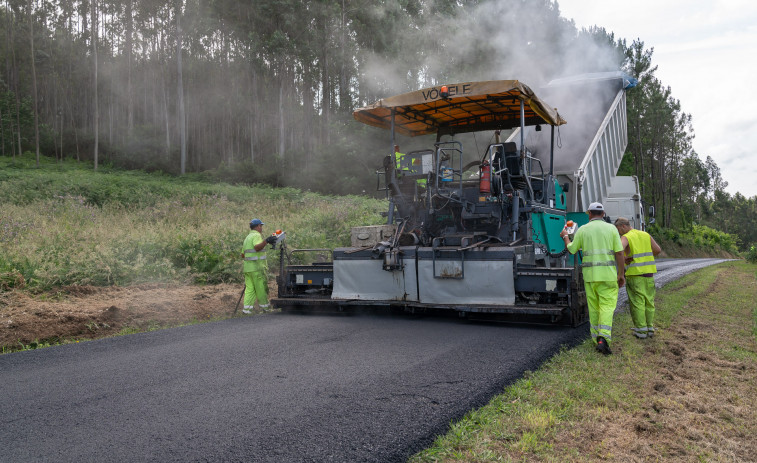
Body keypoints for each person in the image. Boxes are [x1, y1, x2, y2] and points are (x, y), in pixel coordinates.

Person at [560, 202, 626, 355]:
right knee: (607, 307)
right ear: (603, 214)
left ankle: (596, 338)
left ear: (588, 213)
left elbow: (572, 250)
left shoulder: (583, 230)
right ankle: (604, 339)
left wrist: (565, 237)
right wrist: (621, 274)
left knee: (594, 308)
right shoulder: (611, 229)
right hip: (608, 277)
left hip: (590, 278)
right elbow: (620, 253)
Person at [614, 217, 662, 339]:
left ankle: (640, 331)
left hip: (635, 275)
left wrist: (624, 259)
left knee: (637, 303)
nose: (618, 232)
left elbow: (618, 250)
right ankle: (649, 328)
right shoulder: (645, 234)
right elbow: (657, 250)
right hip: (649, 274)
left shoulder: (626, 237)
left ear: (623, 226)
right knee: (649, 301)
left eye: (618, 230)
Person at [241, 218, 277, 314]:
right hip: (257, 268)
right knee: (261, 288)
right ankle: (265, 308)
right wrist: (266, 241)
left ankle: (246, 310)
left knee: (250, 290)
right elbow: (257, 247)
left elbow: (242, 255)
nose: (261, 228)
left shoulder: (247, 238)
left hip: (248, 269)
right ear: (258, 226)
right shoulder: (257, 235)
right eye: (261, 226)